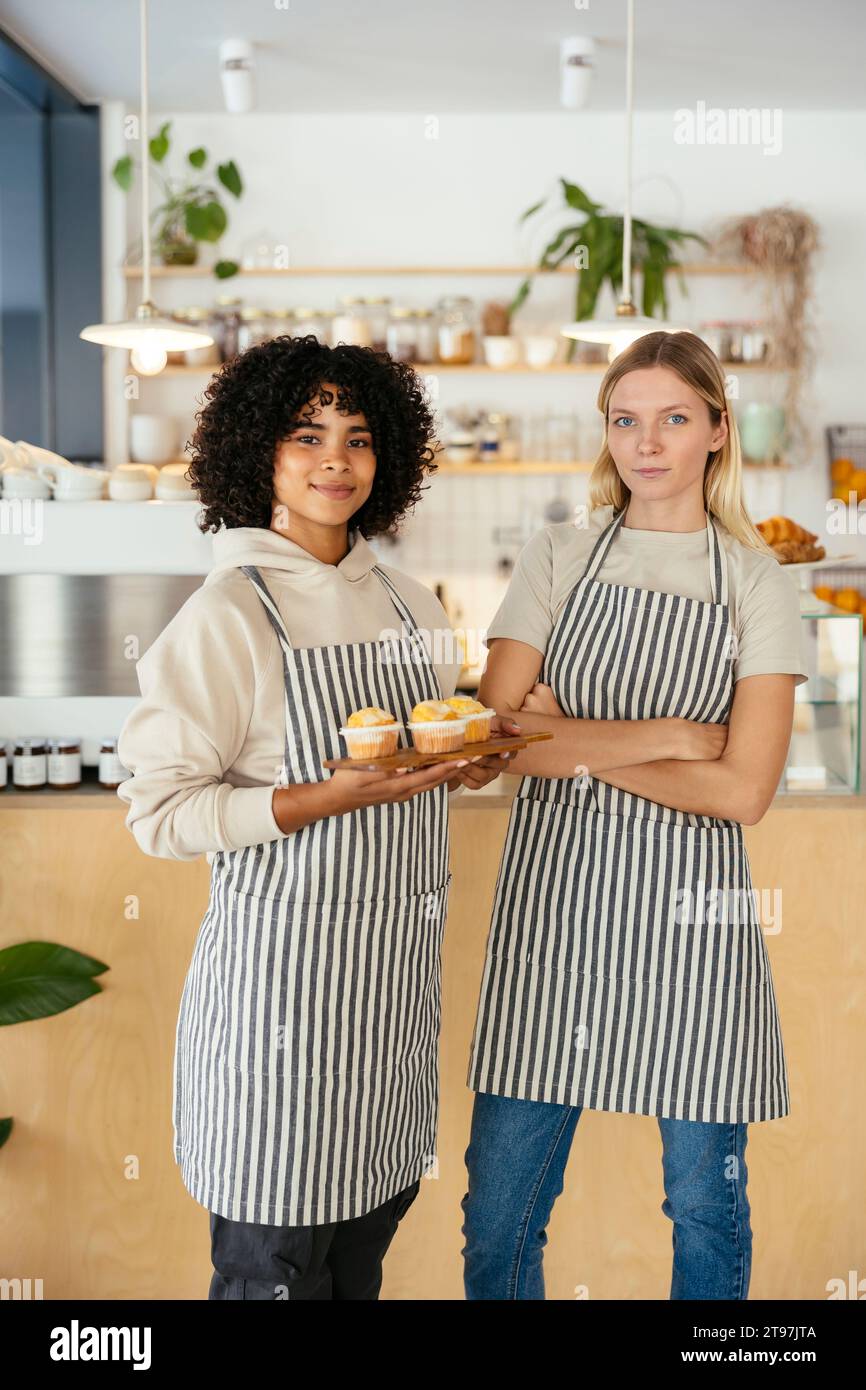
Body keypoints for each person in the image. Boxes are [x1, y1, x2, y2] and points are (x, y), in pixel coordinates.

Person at [117, 335, 517, 1299]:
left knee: (357, 1268)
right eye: (306, 435)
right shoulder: (227, 613)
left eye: (359, 436)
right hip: (279, 1014)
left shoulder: (409, 601)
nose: (336, 459)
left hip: (384, 1005)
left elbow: (416, 756)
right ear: (258, 452)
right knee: (272, 1279)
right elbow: (160, 814)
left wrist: (459, 768)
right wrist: (320, 798)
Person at [461, 329, 807, 1300]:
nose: (645, 443)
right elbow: (495, 740)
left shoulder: (755, 584)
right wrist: (667, 735)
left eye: (671, 419)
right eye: (624, 420)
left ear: (713, 432)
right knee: (498, 1217)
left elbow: (741, 790)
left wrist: (567, 742)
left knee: (703, 1208)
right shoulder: (557, 554)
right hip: (554, 923)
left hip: (695, 935)